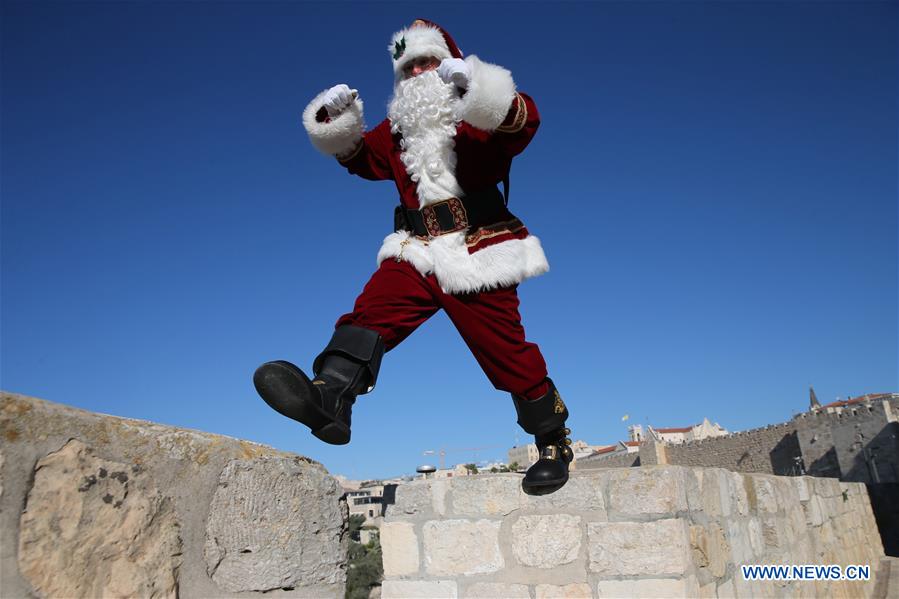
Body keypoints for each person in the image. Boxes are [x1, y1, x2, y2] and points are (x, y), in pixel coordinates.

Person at [254, 19, 574, 494]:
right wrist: (335, 120)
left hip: (477, 251)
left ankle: (552, 440)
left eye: (427, 62)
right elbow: (362, 159)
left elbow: (523, 123)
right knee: (370, 313)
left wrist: (480, 89)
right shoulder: (398, 131)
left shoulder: (476, 118)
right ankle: (331, 396)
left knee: (506, 354)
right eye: (408, 67)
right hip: (417, 250)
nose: (418, 72)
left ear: (448, 63)